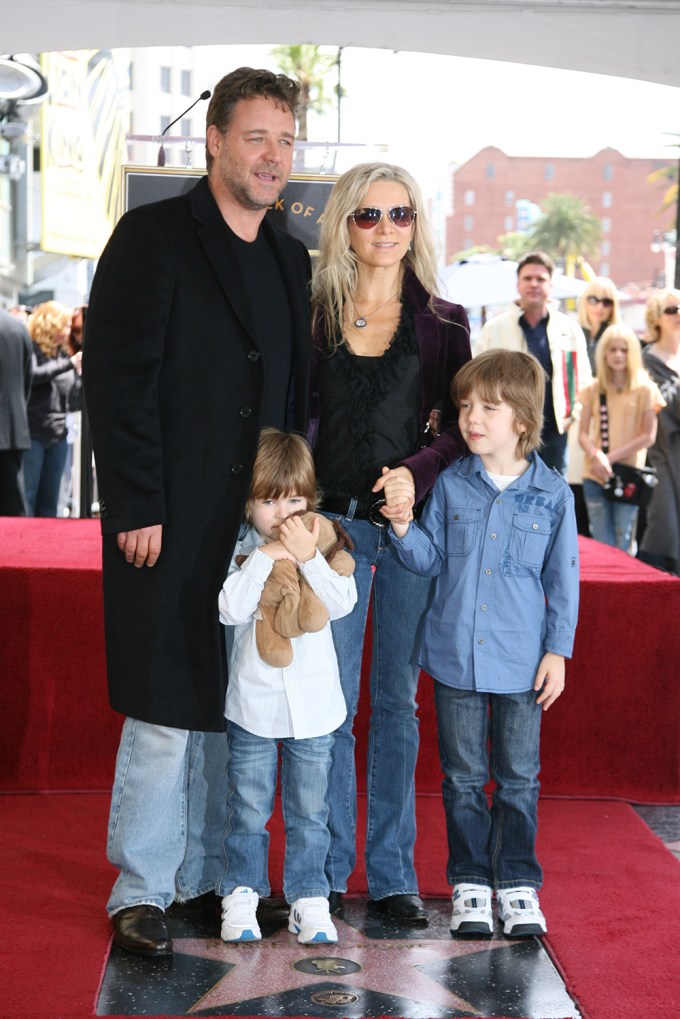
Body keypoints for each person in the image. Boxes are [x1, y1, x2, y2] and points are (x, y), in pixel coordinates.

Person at [84, 66, 311, 957]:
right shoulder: (151, 238)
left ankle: (214, 878)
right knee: (165, 708)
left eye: (285, 141)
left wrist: (294, 518)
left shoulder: (292, 256)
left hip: (255, 526)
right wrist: (135, 499)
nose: (272, 156)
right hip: (168, 520)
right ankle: (143, 886)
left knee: (238, 702)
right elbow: (120, 381)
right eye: (256, 136)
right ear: (214, 140)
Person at [309, 161, 472, 922]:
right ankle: (328, 870)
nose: (384, 229)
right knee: (331, 710)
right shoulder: (311, 313)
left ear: (417, 224)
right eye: (368, 215)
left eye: (399, 214)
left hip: (410, 535)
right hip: (331, 532)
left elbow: (461, 435)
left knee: (395, 705)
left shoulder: (446, 322)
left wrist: (414, 470)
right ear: (344, 223)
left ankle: (393, 873)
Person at [389, 349, 579, 939]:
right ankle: (471, 883)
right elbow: (430, 559)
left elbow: (563, 579)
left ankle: (518, 884)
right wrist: (401, 528)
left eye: (487, 408)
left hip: (524, 664)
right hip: (454, 658)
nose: (470, 418)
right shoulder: (449, 486)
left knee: (519, 777)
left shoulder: (553, 494)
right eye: (465, 406)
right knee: (463, 777)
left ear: (522, 419)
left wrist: (558, 651)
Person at [217, 429, 356, 945]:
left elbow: (341, 602)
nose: (282, 513)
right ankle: (242, 892)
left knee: (309, 811)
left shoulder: (326, 542)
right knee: (248, 808)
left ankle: (308, 898)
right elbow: (229, 610)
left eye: (294, 499)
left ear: (310, 498)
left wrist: (307, 557)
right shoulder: (241, 549)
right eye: (269, 501)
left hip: (315, 709)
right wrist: (266, 556)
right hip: (254, 704)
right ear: (249, 503)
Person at [475, 251, 592, 475]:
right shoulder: (495, 328)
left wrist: (572, 415)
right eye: (528, 278)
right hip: (508, 431)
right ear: (518, 284)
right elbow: (478, 380)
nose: (534, 284)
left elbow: (583, 378)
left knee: (550, 498)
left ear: (550, 285)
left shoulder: (569, 329)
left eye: (541, 279)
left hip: (555, 434)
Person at [577, 324, 663, 552]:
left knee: (623, 539)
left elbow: (648, 436)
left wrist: (610, 457)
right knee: (601, 542)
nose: (617, 355)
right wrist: (597, 455)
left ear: (632, 353)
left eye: (624, 350)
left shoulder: (646, 389)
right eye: (612, 349)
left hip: (628, 476)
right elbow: (582, 434)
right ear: (603, 352)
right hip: (594, 474)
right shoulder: (593, 389)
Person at [569, 277, 622, 533]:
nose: (600, 306)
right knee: (574, 483)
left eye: (607, 301)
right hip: (574, 418)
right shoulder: (571, 331)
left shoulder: (617, 339)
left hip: (606, 421)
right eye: (593, 299)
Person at [23, 301, 82, 517]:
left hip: (58, 436)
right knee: (28, 498)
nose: (67, 331)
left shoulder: (62, 353)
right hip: (33, 435)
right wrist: (70, 364)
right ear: (50, 325)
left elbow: (72, 396)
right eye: (64, 326)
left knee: (50, 503)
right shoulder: (32, 348)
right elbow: (34, 376)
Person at [637, 288, 680, 575]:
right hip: (659, 454)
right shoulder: (644, 360)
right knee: (663, 523)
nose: (679, 314)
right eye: (672, 310)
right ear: (656, 318)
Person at [0, 306, 33, 516]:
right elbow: (27, 377)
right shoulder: (18, 327)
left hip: (12, 427)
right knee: (12, 507)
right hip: (13, 427)